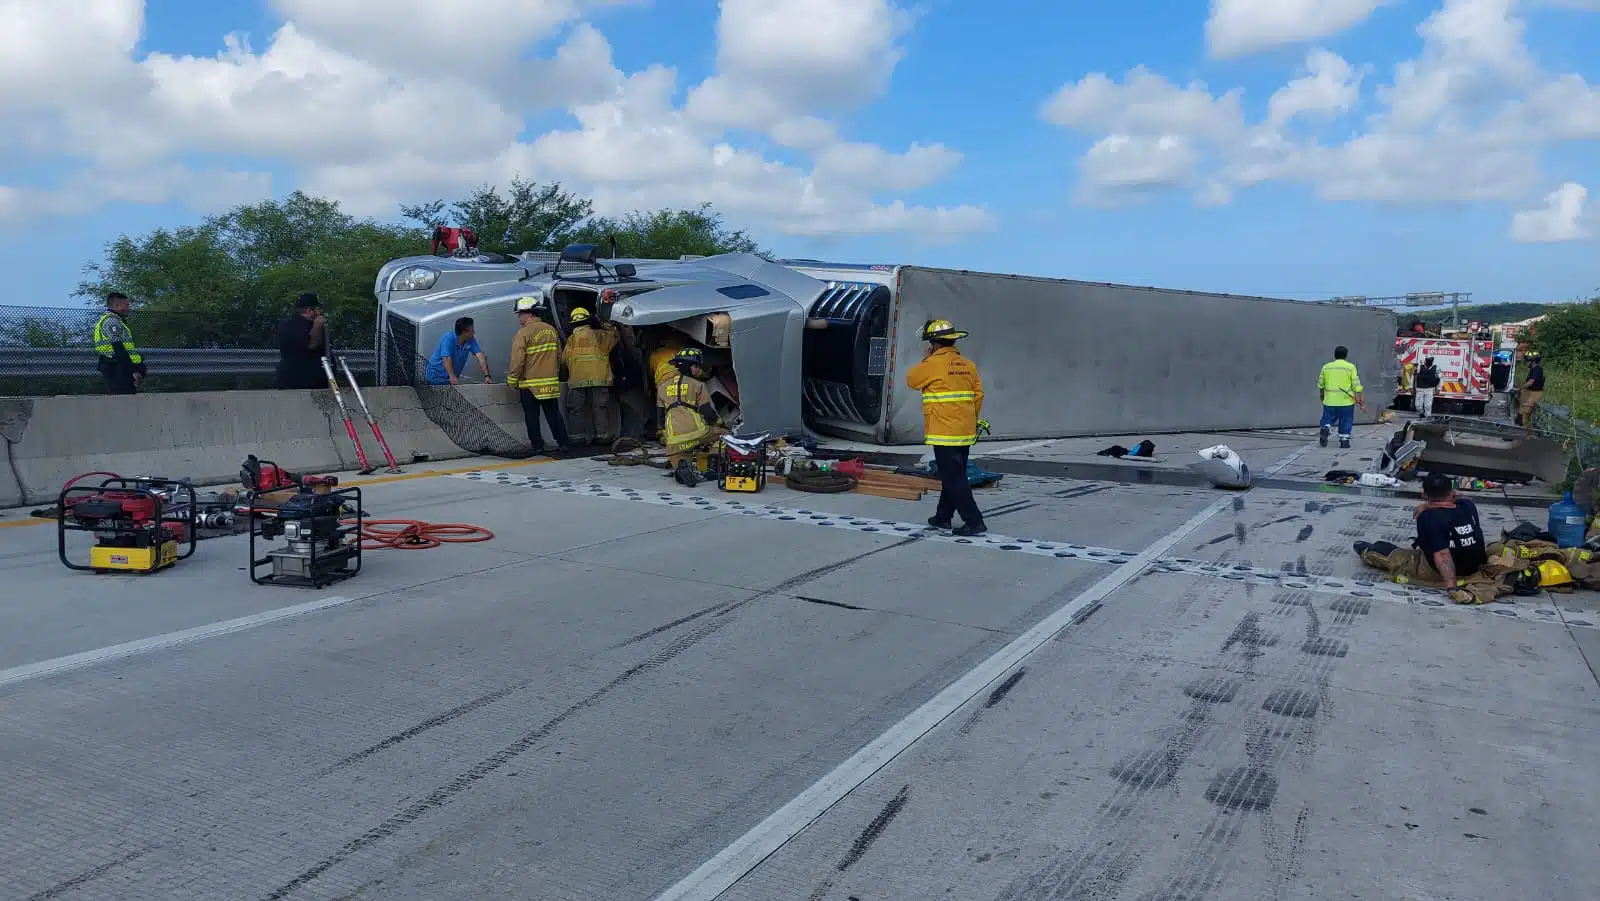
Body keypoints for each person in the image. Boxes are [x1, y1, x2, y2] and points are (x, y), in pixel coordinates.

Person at [905, 319, 987, 537]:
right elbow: (978, 396)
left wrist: (927, 358)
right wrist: (970, 419)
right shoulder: (968, 365)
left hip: (944, 430)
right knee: (955, 473)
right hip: (965, 429)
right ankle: (943, 517)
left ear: (934, 344)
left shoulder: (932, 364)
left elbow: (911, 380)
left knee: (953, 477)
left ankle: (974, 520)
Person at [1355, 472, 1488, 602]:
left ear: (1423, 494)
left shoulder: (1428, 517)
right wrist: (1428, 505)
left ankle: (1368, 551)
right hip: (1476, 566)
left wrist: (1451, 586)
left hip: (1442, 570)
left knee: (1387, 553)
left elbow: (1442, 555)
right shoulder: (1467, 506)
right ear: (1451, 492)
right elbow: (1458, 499)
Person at [506, 297, 569, 455]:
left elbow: (517, 360)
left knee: (532, 417)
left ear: (529, 314)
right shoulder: (551, 330)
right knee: (553, 414)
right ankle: (563, 443)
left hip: (530, 385)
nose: (518, 317)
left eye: (520, 314)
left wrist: (512, 380)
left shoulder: (523, 333)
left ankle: (537, 445)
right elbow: (559, 356)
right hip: (549, 383)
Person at [656, 347, 724, 467]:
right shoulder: (698, 385)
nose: (699, 369)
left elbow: (660, 418)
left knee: (681, 464)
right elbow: (707, 413)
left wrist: (666, 436)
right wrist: (720, 424)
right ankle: (712, 467)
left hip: (673, 439)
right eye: (696, 366)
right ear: (689, 366)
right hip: (697, 432)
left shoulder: (662, 387)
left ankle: (682, 466)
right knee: (725, 436)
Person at [562, 308, 618, 446]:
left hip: (577, 379)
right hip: (599, 378)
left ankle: (577, 437)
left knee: (576, 409)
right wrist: (603, 322)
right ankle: (603, 436)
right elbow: (615, 335)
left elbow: (564, 360)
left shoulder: (571, 339)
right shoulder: (600, 336)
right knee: (599, 407)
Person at [92, 292, 145, 395]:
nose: (128, 308)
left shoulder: (116, 321)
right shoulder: (112, 322)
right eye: (126, 305)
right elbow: (118, 348)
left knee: (123, 400)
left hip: (117, 365)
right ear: (116, 306)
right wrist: (133, 370)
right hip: (116, 367)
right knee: (124, 399)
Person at [1317, 345, 1365, 449]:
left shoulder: (1326, 367)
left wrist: (1322, 395)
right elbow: (1356, 385)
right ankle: (1344, 441)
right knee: (1346, 420)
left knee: (1328, 418)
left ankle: (1326, 428)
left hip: (1330, 400)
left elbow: (1321, 384)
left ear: (1334, 355)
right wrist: (1361, 399)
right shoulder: (1350, 367)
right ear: (1346, 355)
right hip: (1346, 402)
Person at [276, 293, 327, 389]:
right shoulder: (292, 325)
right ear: (309, 310)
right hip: (297, 382)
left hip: (313, 380)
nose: (320, 312)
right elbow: (311, 344)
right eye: (318, 309)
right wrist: (317, 325)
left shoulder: (306, 323)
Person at [425, 316, 491, 385]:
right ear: (464, 332)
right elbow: (446, 358)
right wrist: (452, 377)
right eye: (472, 330)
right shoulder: (448, 338)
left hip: (449, 380)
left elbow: (480, 355)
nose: (474, 332)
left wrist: (487, 376)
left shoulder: (470, 339)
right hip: (435, 378)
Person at [1517, 351, 1544, 427]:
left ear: (1533, 361)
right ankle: (1523, 429)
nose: (1526, 363)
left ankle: (1527, 434)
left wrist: (1520, 388)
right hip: (1529, 393)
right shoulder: (1533, 369)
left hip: (1534, 393)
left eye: (1527, 361)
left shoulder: (1537, 369)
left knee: (1526, 414)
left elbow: (1530, 382)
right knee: (1523, 413)